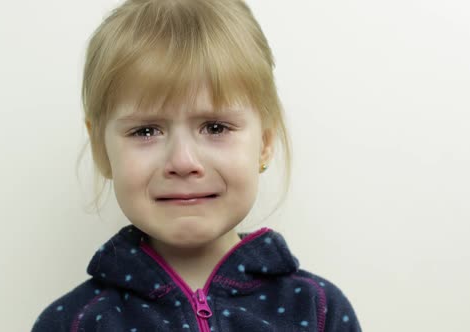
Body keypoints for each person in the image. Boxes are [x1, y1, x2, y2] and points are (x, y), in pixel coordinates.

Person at [31, 0, 362, 331]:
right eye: (146, 131)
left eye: (215, 127)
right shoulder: (71, 323)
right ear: (102, 148)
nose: (183, 162)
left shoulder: (319, 310)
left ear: (264, 143)